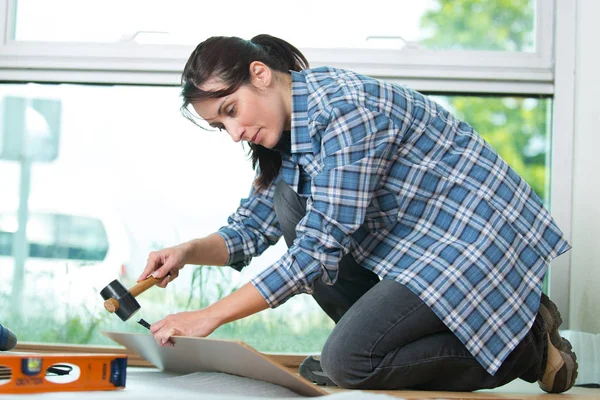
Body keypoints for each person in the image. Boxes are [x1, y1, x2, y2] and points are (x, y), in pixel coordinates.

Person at [138, 34, 578, 393]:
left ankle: (528, 343)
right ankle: (436, 340)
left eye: (231, 111)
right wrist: (186, 251)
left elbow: (316, 254)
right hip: (414, 251)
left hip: (469, 242)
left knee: (349, 363)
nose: (234, 134)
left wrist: (208, 315)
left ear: (260, 74)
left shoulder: (347, 111)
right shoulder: (285, 136)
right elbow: (250, 230)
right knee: (289, 203)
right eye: (221, 125)